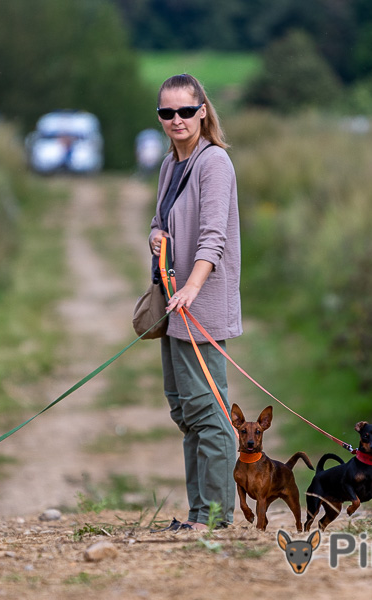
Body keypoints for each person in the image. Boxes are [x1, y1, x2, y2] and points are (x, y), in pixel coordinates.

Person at [148, 74, 241, 531]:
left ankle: (218, 516)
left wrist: (193, 288)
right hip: (174, 305)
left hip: (199, 307)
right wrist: (155, 236)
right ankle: (198, 513)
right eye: (167, 113)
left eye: (186, 111)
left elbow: (214, 238)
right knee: (185, 412)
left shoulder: (214, 163)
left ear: (203, 109)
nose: (177, 120)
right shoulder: (170, 165)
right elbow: (158, 219)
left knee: (211, 413)